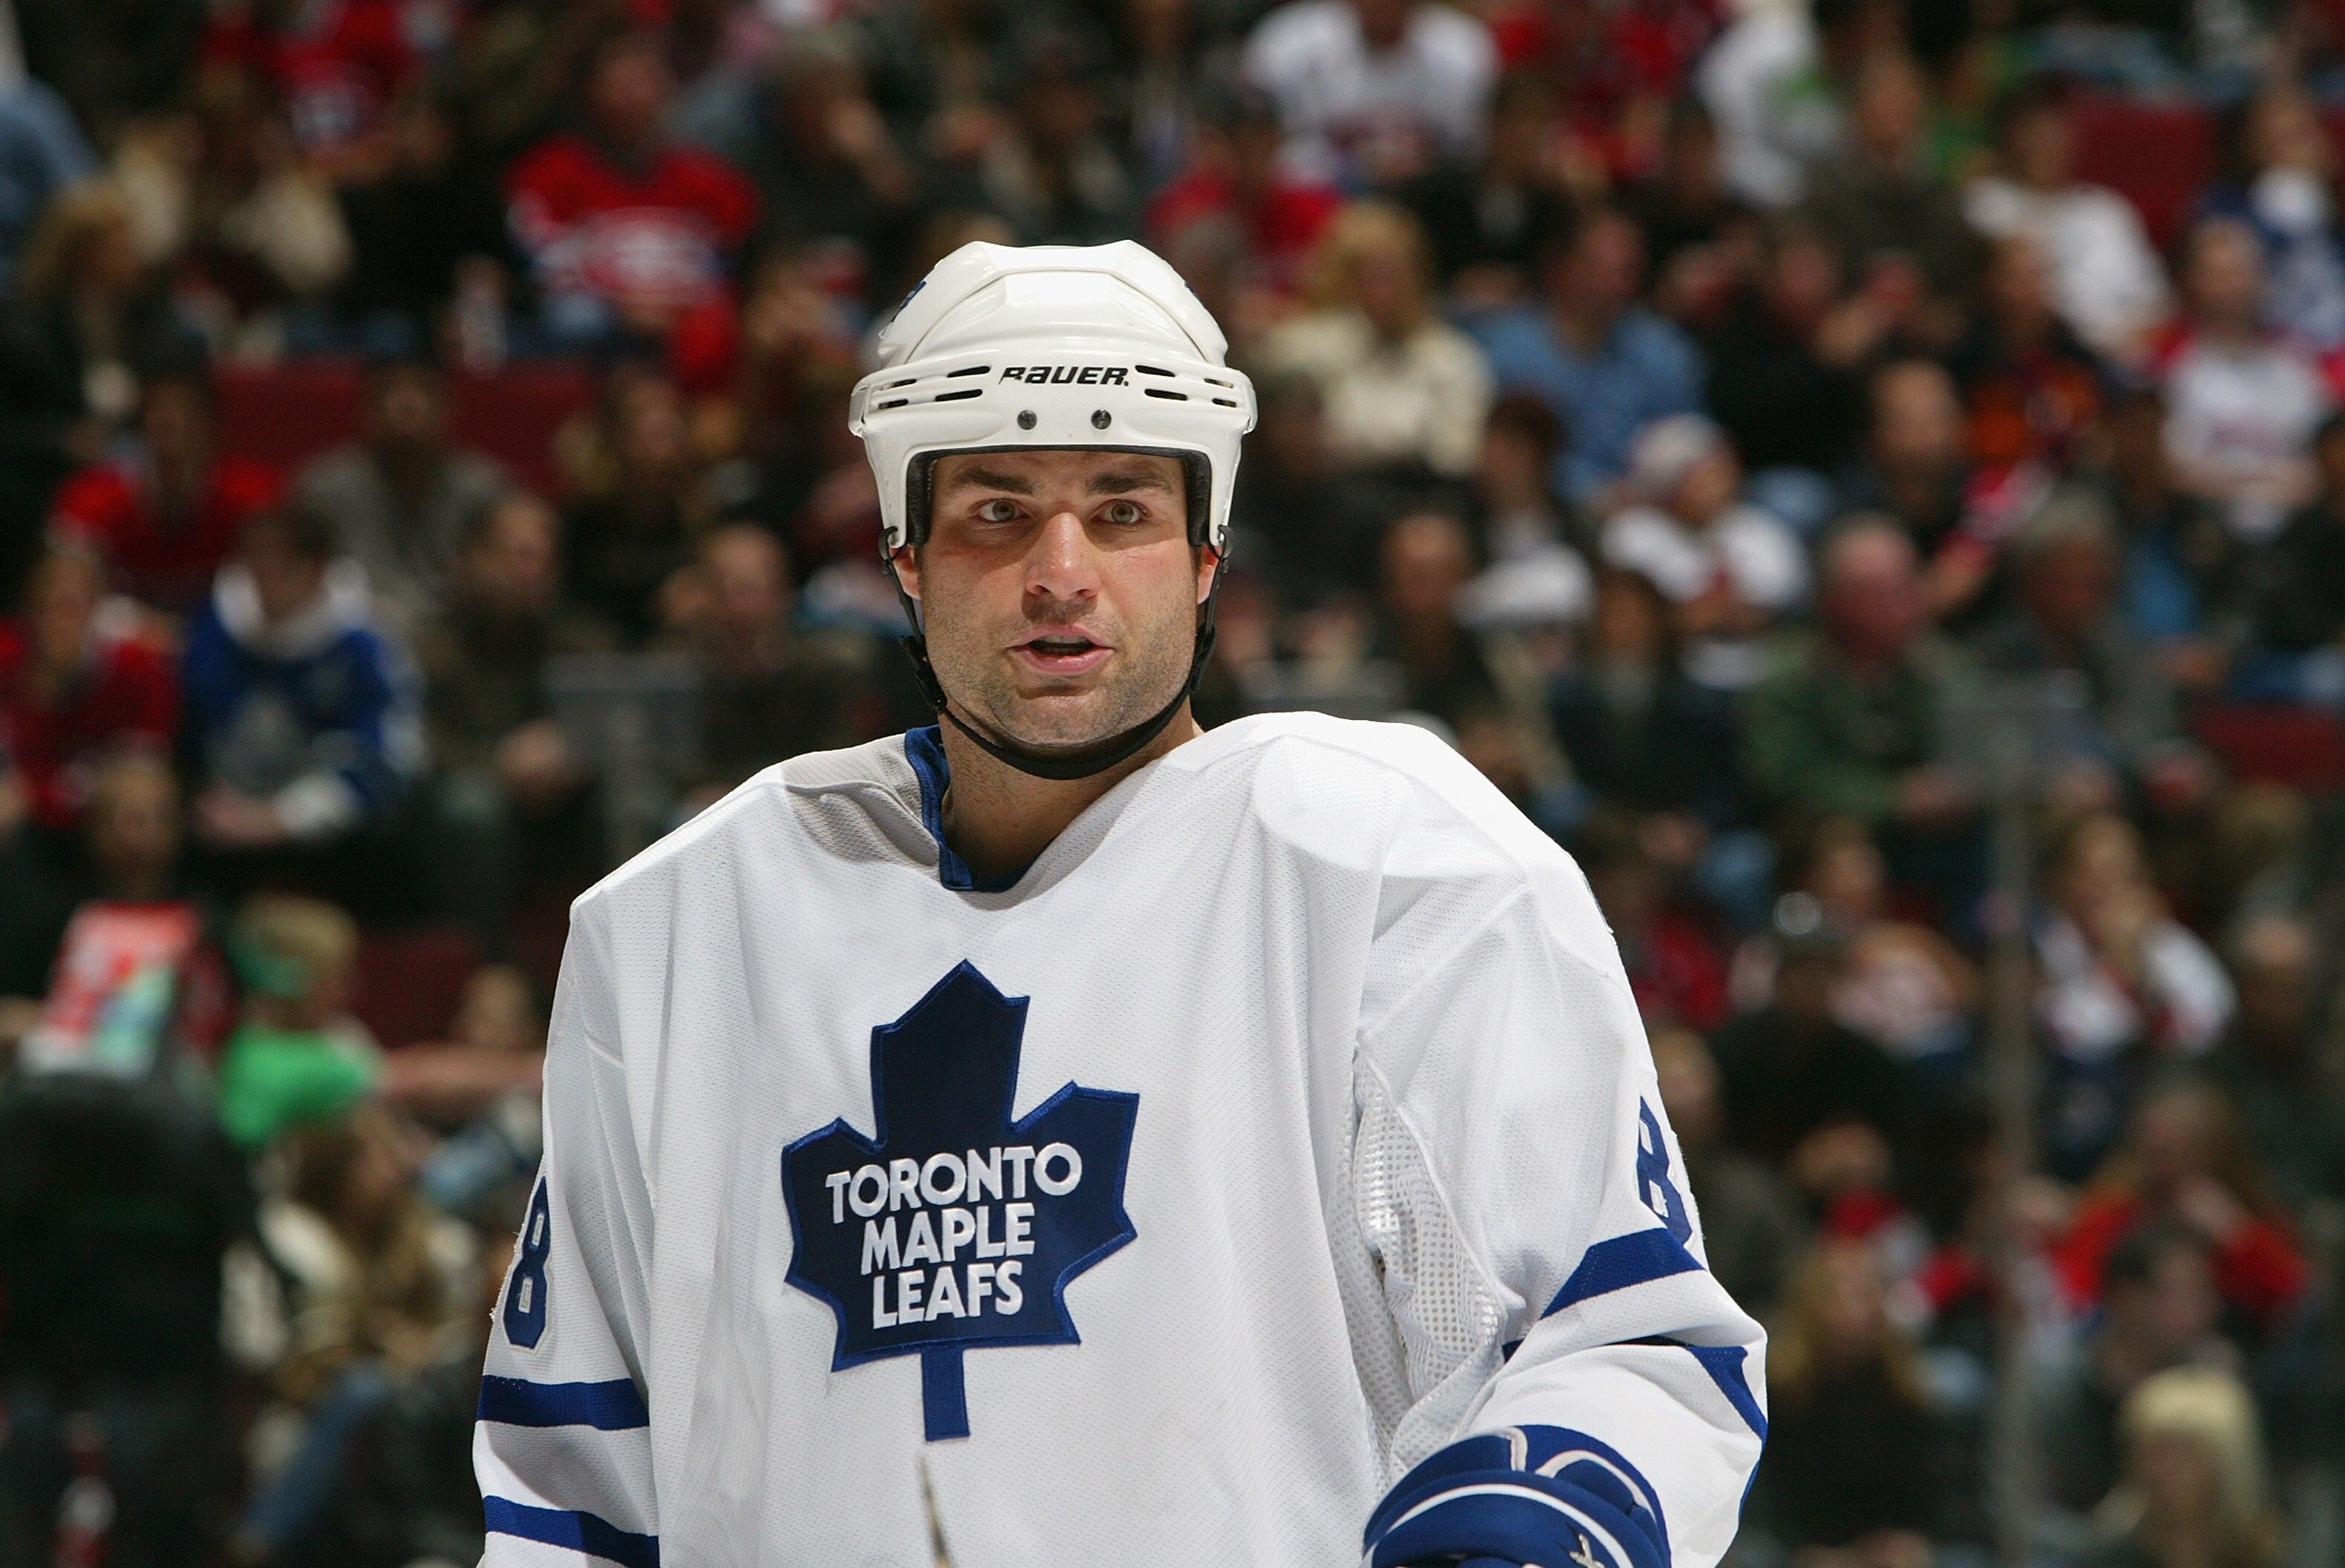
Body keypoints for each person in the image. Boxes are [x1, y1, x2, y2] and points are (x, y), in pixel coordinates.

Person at [474, 240, 1764, 1565]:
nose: (1061, 570)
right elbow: (569, 1478)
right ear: (900, 551)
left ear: (1207, 552)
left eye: (1122, 508)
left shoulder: (1391, 862)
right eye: (994, 510)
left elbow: (1619, 1341)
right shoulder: (676, 930)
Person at [180, 501, 426, 909]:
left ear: (317, 569)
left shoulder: (364, 647)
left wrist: (282, 818)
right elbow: (188, 731)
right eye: (255, 566)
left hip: (335, 837)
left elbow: (390, 758)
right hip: (222, 818)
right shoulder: (212, 631)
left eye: (282, 566)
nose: (265, 581)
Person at [1470, 206, 1704, 506]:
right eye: (1604, 266)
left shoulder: (1663, 349)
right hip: (1544, 507)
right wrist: (1590, 491)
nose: (1620, 280)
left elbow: (1689, 441)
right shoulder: (1508, 348)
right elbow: (1500, 450)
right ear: (1563, 268)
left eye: (1629, 268)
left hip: (1651, 507)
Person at [1253, 201, 1493, 478]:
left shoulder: (1453, 357)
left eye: (1395, 275)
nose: (1384, 291)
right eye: (1369, 275)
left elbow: (1458, 451)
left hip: (1419, 490)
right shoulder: (1307, 344)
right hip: (1328, 492)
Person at [1751, 1237, 1939, 1566]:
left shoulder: (1904, 1394)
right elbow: (1768, 1500)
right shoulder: (1778, 1396)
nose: (1848, 1309)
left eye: (1860, 1296)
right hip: (1801, 1550)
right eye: (1834, 1296)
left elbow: (1929, 1494)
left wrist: (1909, 1541)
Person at [293, 354, 509, 635]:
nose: (409, 403)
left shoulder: (486, 490)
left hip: (465, 643)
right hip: (351, 642)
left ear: (448, 408)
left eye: (423, 390)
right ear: (367, 409)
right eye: (393, 390)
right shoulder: (324, 490)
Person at [48, 361, 283, 618]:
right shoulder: (94, 499)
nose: (172, 423)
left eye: (186, 415)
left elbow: (285, 586)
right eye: (159, 415)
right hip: (129, 642)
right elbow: (63, 594)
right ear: (142, 428)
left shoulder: (252, 494)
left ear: (210, 427)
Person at [1962, 79, 2171, 364]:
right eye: (2036, 130)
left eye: (2058, 129)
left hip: (2121, 365)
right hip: (2027, 362)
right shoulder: (1985, 204)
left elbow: (2158, 307)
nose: (2048, 142)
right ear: (2012, 135)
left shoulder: (2107, 211)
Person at [2037, 1224, 2237, 1520]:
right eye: (2184, 1291)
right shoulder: (2053, 1385)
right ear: (2127, 1298)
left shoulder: (2212, 1385)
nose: (2206, 1308)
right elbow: (2031, 1506)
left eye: (2205, 1291)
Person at [1599, 413, 1807, 690]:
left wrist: (1723, 613)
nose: (1718, 484)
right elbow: (1630, 620)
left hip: (1757, 671)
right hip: (1664, 680)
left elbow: (1777, 610)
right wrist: (1682, 619)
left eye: (1723, 471)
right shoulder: (1632, 533)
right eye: (1703, 474)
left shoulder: (1762, 531)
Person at [2159, 218, 2330, 545]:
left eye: (2241, 272)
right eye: (2219, 274)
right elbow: (2161, 466)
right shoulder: (2168, 362)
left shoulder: (2296, 364)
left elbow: (2327, 461)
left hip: (2298, 536)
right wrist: (2252, 488)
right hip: (2196, 532)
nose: (2234, 287)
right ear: (2191, 280)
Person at [0, 541, 177, 840]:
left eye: (70, 604)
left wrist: (35, 796)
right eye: (46, 603)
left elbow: (144, 772)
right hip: (15, 822)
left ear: (97, 606)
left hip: (98, 823)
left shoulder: (139, 672)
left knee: (138, 805)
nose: (56, 619)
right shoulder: (7, 657)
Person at [1241, 0, 1498, 189]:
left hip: (1427, 202)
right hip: (1319, 203)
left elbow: (1474, 153)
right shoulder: (1287, 45)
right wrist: (1355, 167)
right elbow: (1262, 158)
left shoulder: (1465, 49)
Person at [2083, 1367, 2283, 1568]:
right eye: (2150, 1452)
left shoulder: (2268, 1555)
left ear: (2227, 1464)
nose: (2158, 1470)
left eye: (2182, 1454)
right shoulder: (2101, 1554)